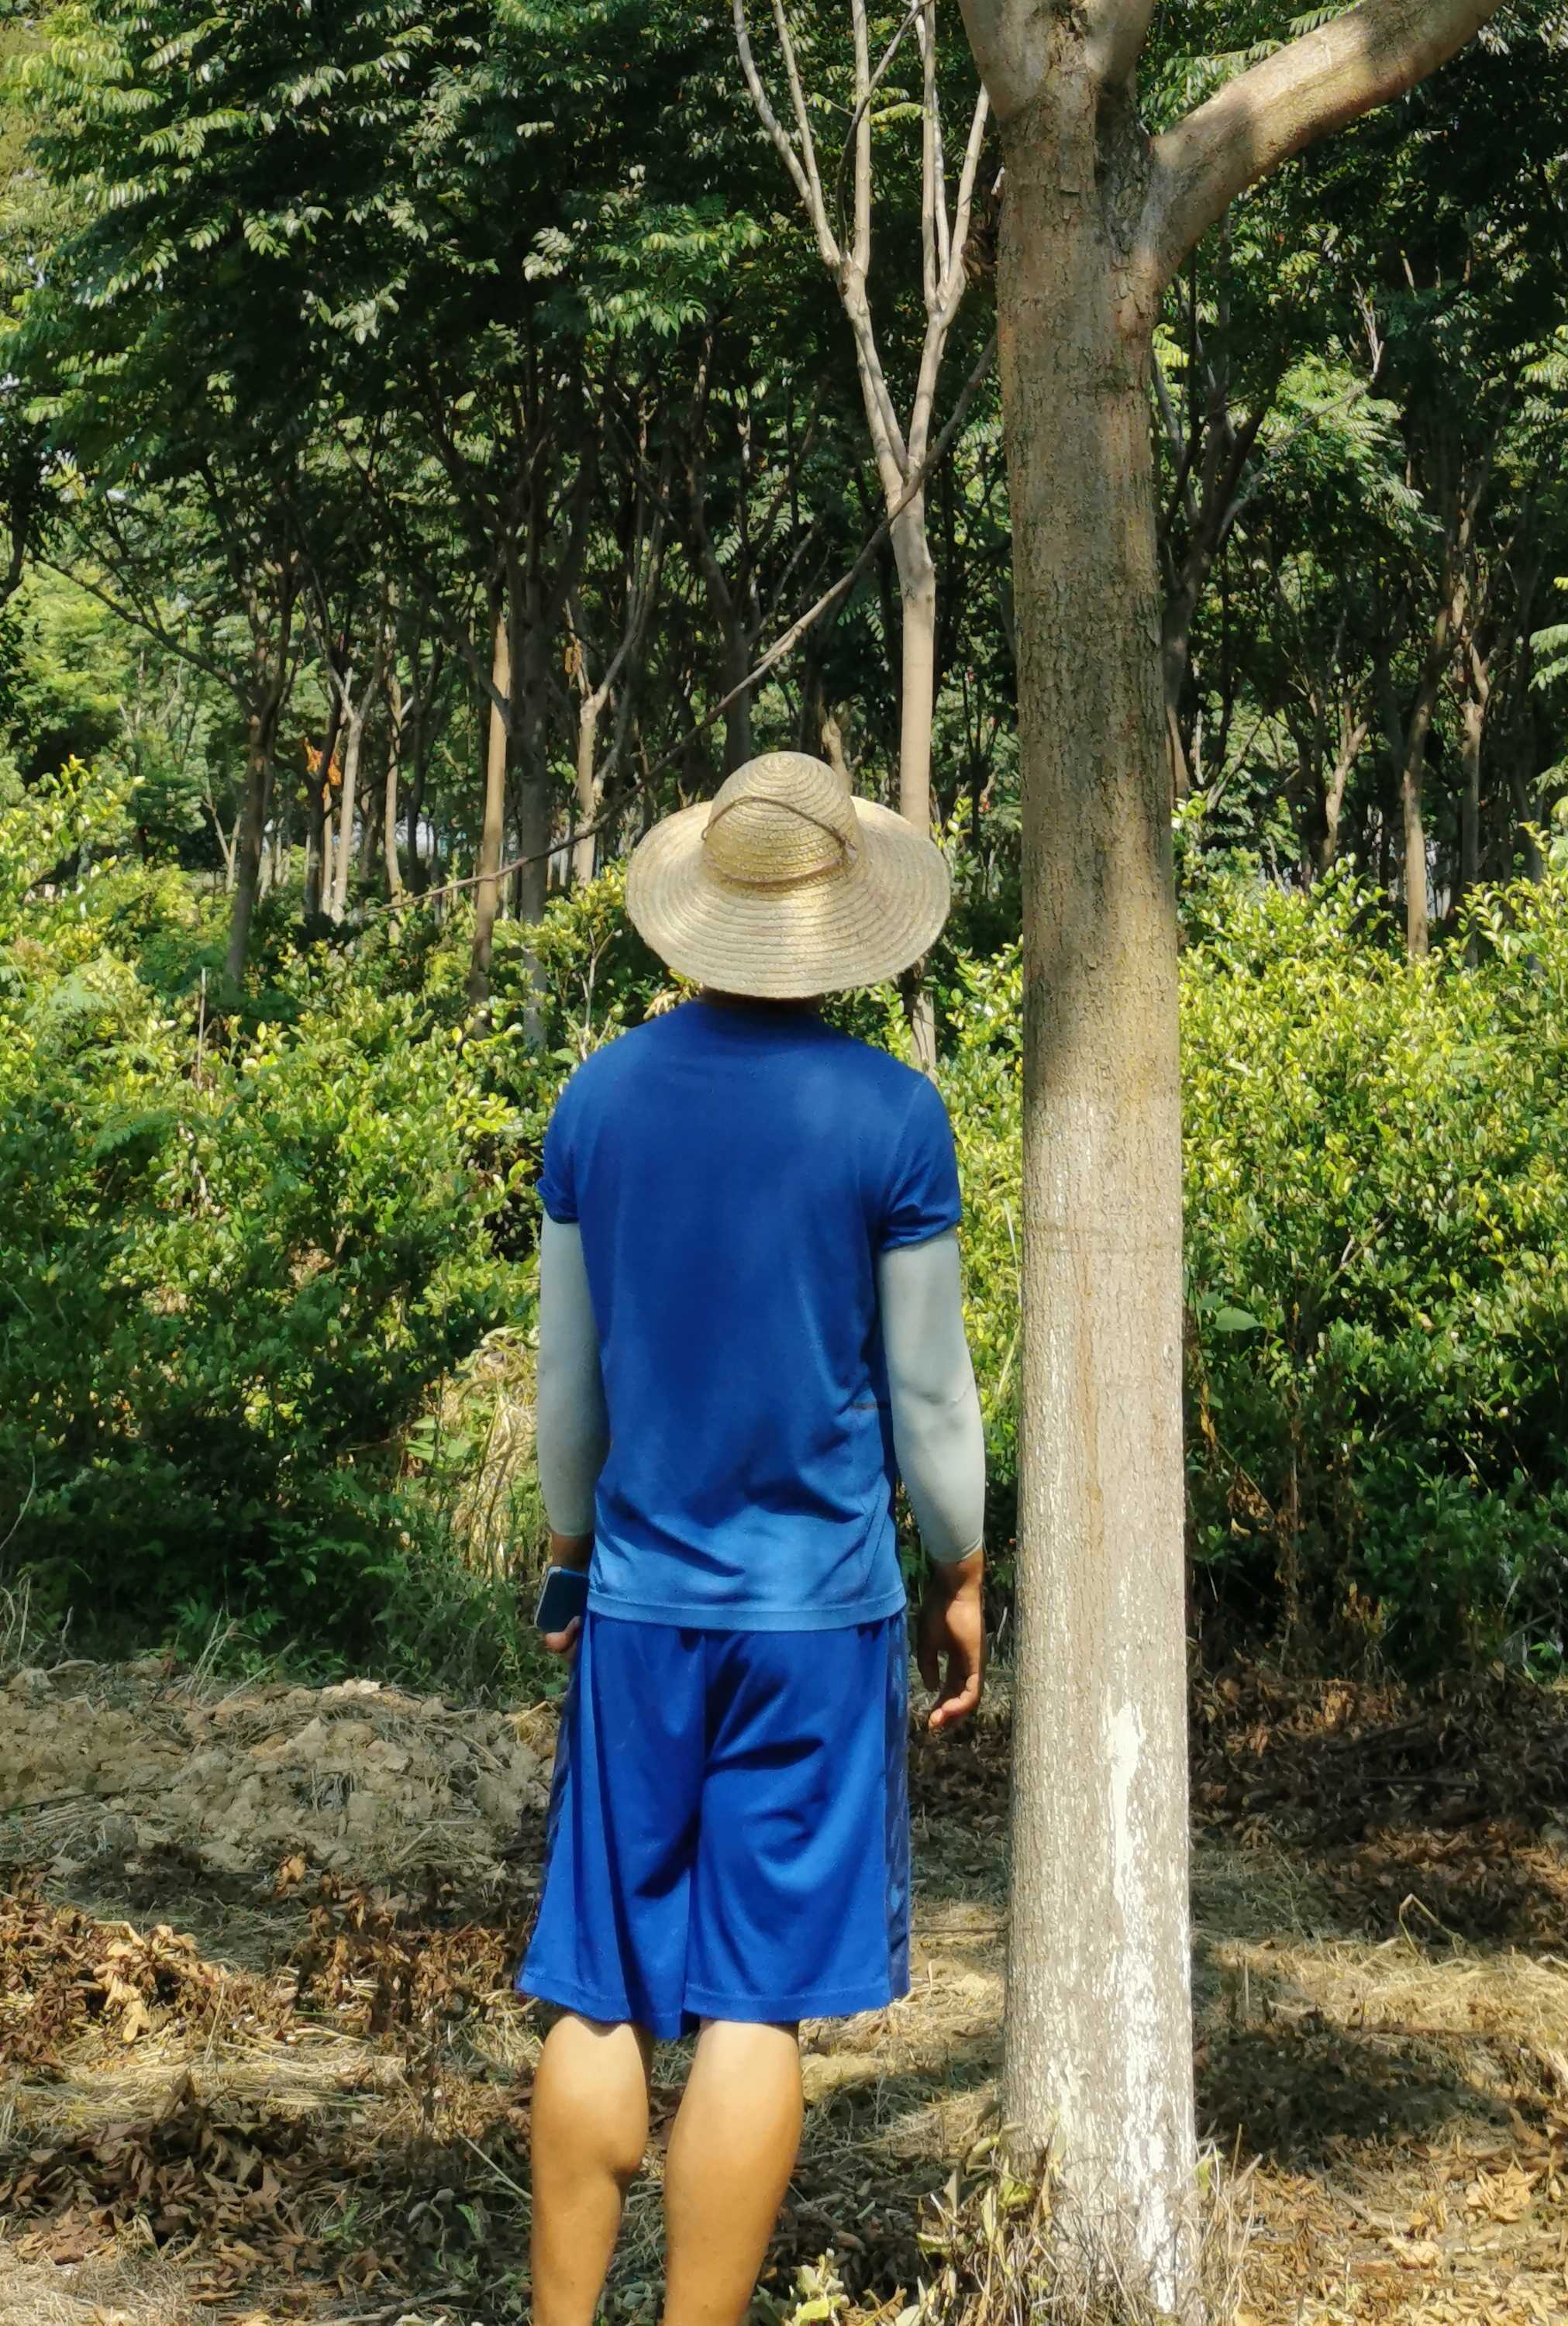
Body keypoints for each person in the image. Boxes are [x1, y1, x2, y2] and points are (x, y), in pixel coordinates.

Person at [519, 744, 990, 2326]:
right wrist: (965, 1570)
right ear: (845, 922)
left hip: (640, 1609)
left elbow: (565, 1391)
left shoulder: (601, 1096)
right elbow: (930, 1402)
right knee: (752, 2007)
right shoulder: (891, 1117)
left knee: (595, 1988)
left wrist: (573, 1553)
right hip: (820, 1620)